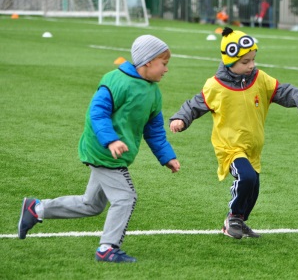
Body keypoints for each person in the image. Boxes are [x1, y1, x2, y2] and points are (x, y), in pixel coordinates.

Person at [18, 35, 181, 263]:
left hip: (115, 153)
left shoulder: (153, 92)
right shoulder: (116, 81)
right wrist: (111, 140)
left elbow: (153, 130)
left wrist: (167, 157)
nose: (166, 70)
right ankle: (108, 248)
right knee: (125, 197)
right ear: (148, 61)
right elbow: (97, 113)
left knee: (91, 205)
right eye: (164, 64)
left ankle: (37, 209)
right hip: (103, 151)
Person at [169, 27, 298, 239]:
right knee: (247, 177)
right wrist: (180, 119)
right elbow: (195, 104)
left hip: (253, 147)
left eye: (253, 59)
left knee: (253, 188)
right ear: (229, 61)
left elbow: (285, 91)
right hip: (229, 147)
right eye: (245, 62)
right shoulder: (216, 86)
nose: (251, 65)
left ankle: (239, 221)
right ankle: (231, 219)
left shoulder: (260, 79)